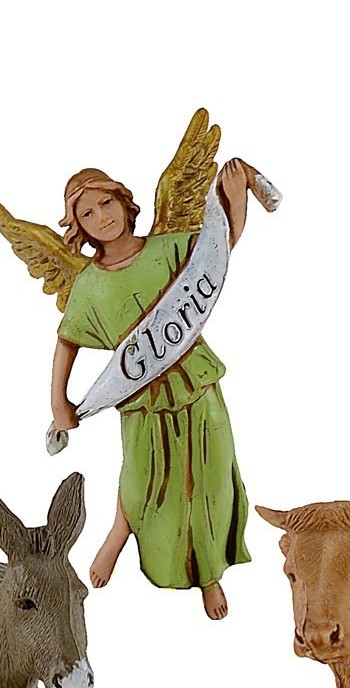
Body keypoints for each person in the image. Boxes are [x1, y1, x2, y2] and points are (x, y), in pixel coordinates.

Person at [52, 161, 259, 620]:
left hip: (197, 382)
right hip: (141, 398)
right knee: (142, 475)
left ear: (124, 201)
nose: (102, 217)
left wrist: (237, 199)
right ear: (79, 227)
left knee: (209, 477)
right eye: (87, 214)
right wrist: (58, 401)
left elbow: (218, 253)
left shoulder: (168, 248)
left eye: (106, 203)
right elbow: (67, 341)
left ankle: (209, 572)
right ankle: (119, 533)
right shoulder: (89, 284)